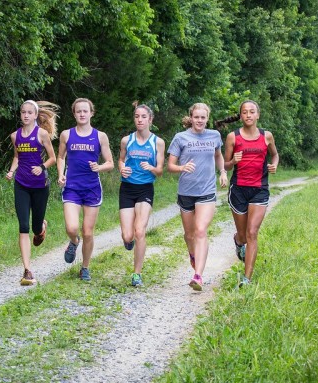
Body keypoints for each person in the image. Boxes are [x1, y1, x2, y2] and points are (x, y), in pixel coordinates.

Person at [167, 103, 228, 291]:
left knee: (201, 230)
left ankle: (198, 276)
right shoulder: (180, 138)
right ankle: (193, 255)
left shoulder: (214, 136)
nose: (200, 120)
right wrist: (181, 168)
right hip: (186, 192)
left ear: (207, 118)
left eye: (203, 117)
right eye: (196, 117)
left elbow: (218, 155)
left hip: (207, 191)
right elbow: (170, 166)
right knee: (189, 234)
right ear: (191, 118)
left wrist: (223, 172)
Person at [56, 98, 114, 282]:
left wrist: (99, 167)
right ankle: (74, 241)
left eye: (85, 111)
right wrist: (60, 174)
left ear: (91, 113)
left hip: (92, 189)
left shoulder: (100, 136)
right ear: (74, 114)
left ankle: (85, 268)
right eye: (78, 111)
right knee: (72, 228)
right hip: (72, 187)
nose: (82, 114)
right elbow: (60, 157)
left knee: (88, 232)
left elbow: (110, 163)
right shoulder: (66, 135)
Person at [224, 100, 279, 287]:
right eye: (245, 112)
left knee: (252, 232)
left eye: (252, 111)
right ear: (241, 116)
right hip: (238, 190)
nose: (248, 115)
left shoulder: (267, 136)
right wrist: (233, 161)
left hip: (259, 189)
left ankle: (247, 279)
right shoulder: (233, 137)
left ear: (258, 115)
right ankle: (238, 243)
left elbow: (275, 154)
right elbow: (225, 165)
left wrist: (274, 165)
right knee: (242, 235)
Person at [5, 100, 58, 286]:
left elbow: (53, 158)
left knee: (35, 227)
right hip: (21, 184)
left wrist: (42, 167)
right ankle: (27, 270)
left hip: (40, 185)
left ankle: (41, 227)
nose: (26, 115)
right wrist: (11, 171)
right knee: (23, 225)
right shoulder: (15, 136)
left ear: (35, 115)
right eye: (23, 112)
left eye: (29, 112)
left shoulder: (42, 134)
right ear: (20, 115)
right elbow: (17, 156)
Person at [118, 102, 165, 287]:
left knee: (139, 231)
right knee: (127, 235)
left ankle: (137, 274)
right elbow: (120, 160)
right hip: (127, 189)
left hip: (145, 188)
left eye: (143, 117)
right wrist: (122, 169)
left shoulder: (157, 142)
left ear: (150, 120)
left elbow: (160, 171)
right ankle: (128, 241)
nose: (140, 119)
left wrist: (152, 168)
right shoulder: (126, 140)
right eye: (137, 116)